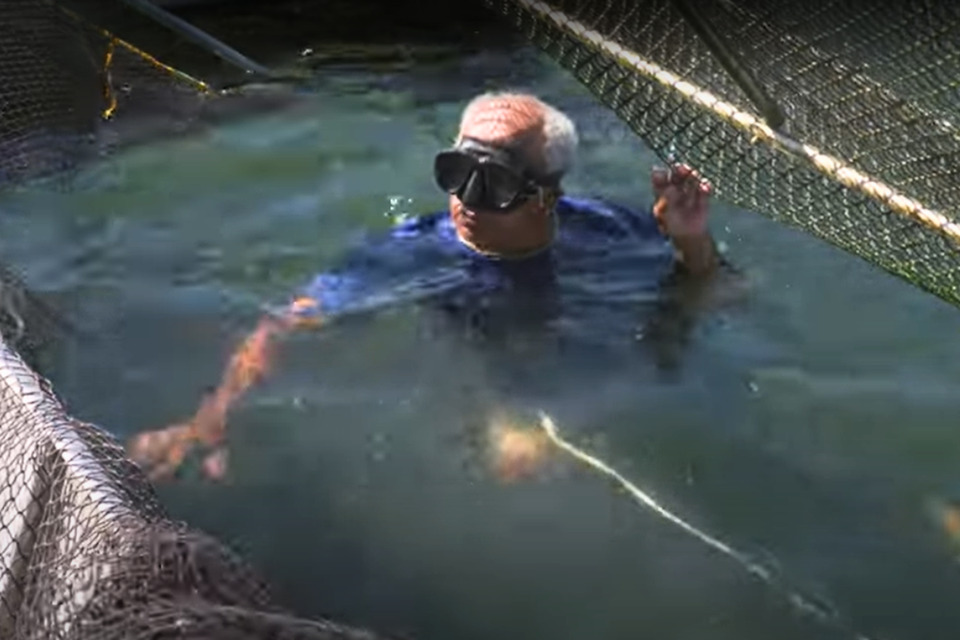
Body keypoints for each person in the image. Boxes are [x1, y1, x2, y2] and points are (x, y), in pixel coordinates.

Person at [126, 91, 729, 481]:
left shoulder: (605, 231)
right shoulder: (414, 252)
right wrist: (210, 417)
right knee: (511, 474)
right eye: (454, 172)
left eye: (489, 183)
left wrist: (691, 242)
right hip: (484, 369)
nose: (464, 198)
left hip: (579, 354)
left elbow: (715, 291)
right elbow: (285, 321)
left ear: (546, 195)